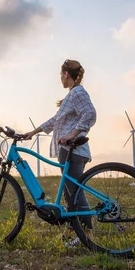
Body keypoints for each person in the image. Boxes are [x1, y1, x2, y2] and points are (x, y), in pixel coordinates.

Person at [23, 59, 97, 247]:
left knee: (75, 193)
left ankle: (87, 236)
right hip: (67, 150)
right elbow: (56, 120)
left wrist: (72, 134)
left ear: (65, 74)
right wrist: (34, 132)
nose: (60, 79)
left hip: (73, 149)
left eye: (60, 75)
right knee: (69, 193)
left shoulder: (78, 92)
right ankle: (73, 230)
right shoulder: (72, 95)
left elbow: (90, 113)